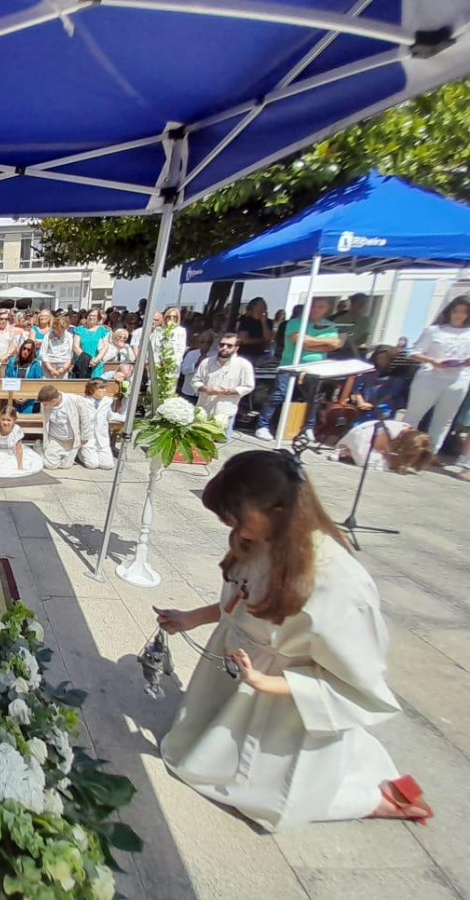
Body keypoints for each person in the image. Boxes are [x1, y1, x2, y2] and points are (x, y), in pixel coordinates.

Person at [157, 450, 431, 831]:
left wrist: (265, 682)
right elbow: (240, 601)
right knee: (196, 752)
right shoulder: (255, 538)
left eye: (236, 518)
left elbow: (354, 679)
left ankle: (377, 800)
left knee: (258, 791)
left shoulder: (338, 583)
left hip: (280, 697)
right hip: (240, 671)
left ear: (279, 511)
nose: (230, 527)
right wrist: (191, 619)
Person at [255, 298, 341, 441]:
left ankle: (308, 428)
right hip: (290, 366)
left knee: (312, 398)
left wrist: (310, 342)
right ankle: (262, 425)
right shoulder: (295, 323)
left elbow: (335, 344)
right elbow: (300, 341)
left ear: (326, 310)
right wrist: (321, 342)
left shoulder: (329, 325)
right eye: (313, 306)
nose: (315, 309)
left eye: (320, 306)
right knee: (279, 395)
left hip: (314, 368)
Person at [403, 296, 470, 452]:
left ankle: (429, 454)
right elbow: (414, 352)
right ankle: (404, 449)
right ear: (449, 311)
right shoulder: (434, 331)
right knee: (413, 415)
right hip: (430, 377)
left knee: (443, 420)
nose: (459, 315)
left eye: (464, 312)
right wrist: (433, 361)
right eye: (456, 311)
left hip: (458, 378)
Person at [192, 333, 255, 437]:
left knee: (220, 444)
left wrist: (225, 391)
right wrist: (206, 389)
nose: (224, 348)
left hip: (225, 413)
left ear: (236, 348)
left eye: (229, 346)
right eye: (222, 344)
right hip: (204, 411)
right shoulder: (206, 362)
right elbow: (195, 381)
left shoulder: (244, 365)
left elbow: (248, 386)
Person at [336, 420, 433, 474]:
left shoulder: (409, 432)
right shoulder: (391, 431)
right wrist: (388, 454)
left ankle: (349, 453)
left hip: (374, 440)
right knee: (379, 465)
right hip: (364, 439)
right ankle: (349, 453)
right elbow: (378, 444)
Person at [0, 405, 43, 478]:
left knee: (14, 464)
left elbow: (19, 449)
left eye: (9, 420)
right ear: (0, 419)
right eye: (3, 419)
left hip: (10, 450)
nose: (5, 422)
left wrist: (20, 466)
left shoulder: (16, 430)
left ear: (14, 420)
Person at [38, 384, 91, 469]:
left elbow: (85, 419)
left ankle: (72, 455)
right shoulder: (46, 403)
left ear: (54, 400)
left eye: (46, 404)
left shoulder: (75, 400)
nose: (44, 406)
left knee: (66, 466)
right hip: (55, 438)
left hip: (71, 439)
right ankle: (40, 448)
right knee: (50, 466)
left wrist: (84, 437)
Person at [78, 379, 115, 470]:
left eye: (105, 388)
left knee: (108, 465)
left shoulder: (107, 401)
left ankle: (98, 453)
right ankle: (80, 452)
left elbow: (110, 415)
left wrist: (125, 418)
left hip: (101, 438)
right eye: (101, 388)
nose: (104, 390)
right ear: (92, 390)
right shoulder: (83, 401)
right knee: (92, 464)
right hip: (87, 438)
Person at [4, 339, 43, 412]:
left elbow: (38, 384)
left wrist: (27, 397)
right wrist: (14, 397)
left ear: (32, 352)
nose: (25, 351)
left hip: (29, 399)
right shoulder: (12, 361)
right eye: (24, 348)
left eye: (29, 350)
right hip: (13, 397)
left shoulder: (35, 364)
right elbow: (7, 380)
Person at [73, 308, 111, 378]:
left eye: (94, 316)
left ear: (98, 318)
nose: (91, 317)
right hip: (82, 363)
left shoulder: (103, 330)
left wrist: (96, 360)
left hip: (96, 363)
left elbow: (105, 346)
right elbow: (75, 347)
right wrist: (87, 360)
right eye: (90, 315)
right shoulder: (80, 329)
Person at [237, 297, 273, 362]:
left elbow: (268, 339)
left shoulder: (269, 322)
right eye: (262, 305)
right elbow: (244, 340)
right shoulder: (245, 320)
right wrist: (262, 340)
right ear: (254, 307)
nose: (265, 307)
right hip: (246, 353)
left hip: (261, 353)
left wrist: (263, 322)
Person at [40, 312, 75, 378]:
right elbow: (43, 353)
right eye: (58, 330)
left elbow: (70, 355)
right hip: (49, 364)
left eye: (62, 330)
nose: (60, 332)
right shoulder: (47, 336)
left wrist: (63, 368)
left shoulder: (69, 336)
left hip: (63, 366)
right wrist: (50, 369)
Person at [178, 333, 211, 403]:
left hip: (204, 394)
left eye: (208, 342)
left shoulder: (214, 356)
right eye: (203, 342)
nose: (205, 345)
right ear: (199, 342)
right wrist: (196, 364)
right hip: (188, 391)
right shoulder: (191, 354)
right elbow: (183, 371)